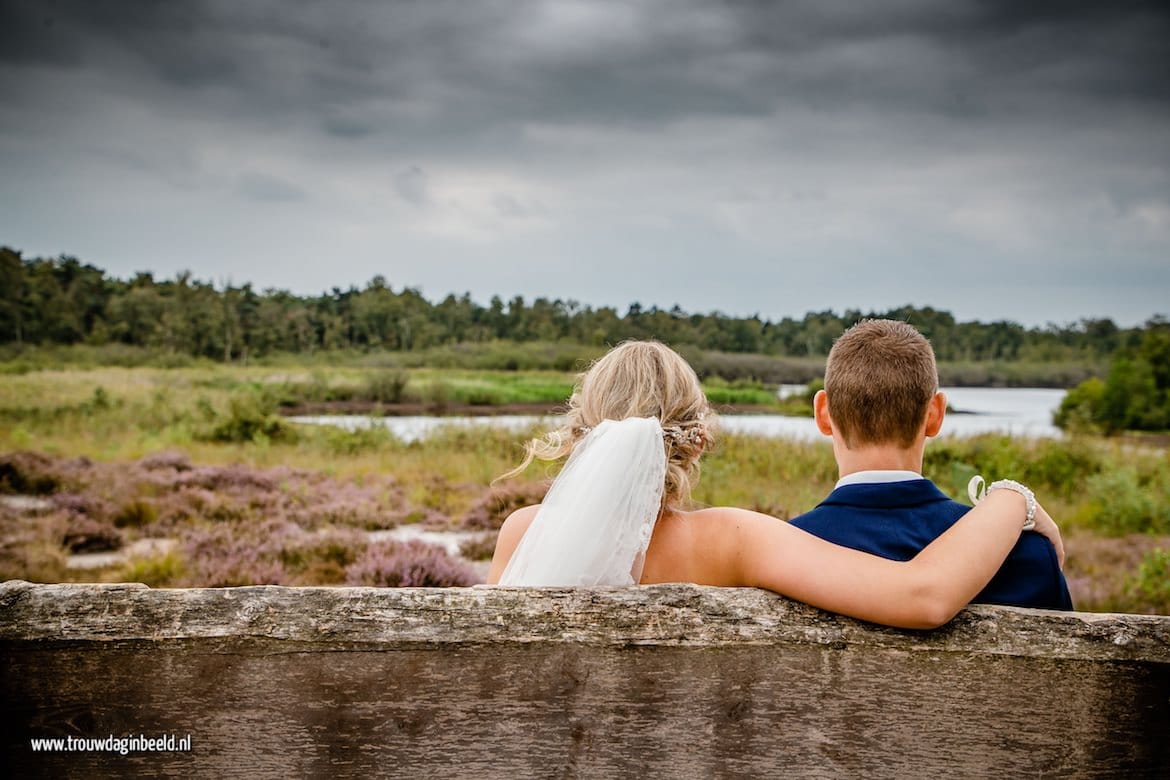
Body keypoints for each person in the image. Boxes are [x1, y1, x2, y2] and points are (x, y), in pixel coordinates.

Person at [488, 340, 1064, 629]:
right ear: (696, 439)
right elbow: (925, 595)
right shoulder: (732, 539)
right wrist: (1014, 498)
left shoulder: (520, 534)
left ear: (584, 434)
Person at [789, 319, 1073, 610]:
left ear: (823, 413)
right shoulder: (1027, 557)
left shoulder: (783, 557)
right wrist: (1014, 499)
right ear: (935, 414)